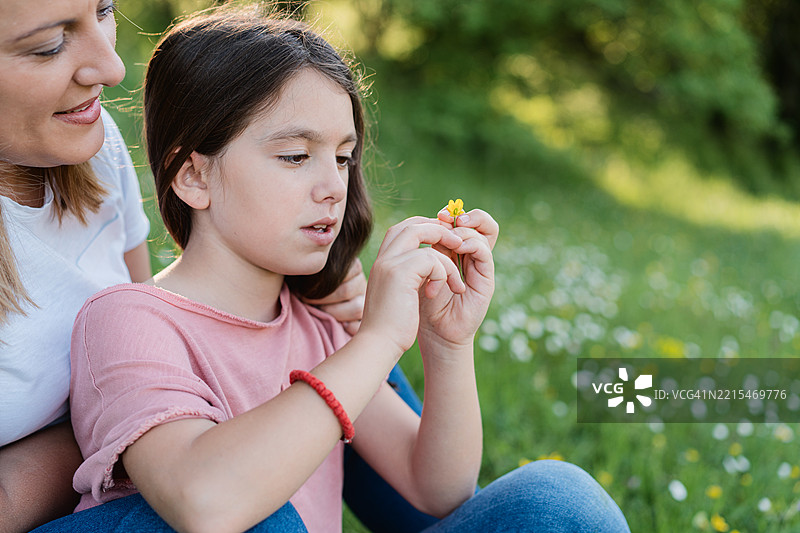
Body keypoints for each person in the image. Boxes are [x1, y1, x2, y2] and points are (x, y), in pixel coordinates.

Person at [33, 7, 631, 533]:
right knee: (261, 515)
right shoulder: (127, 321)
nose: (331, 187)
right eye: (295, 157)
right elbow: (206, 505)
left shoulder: (318, 329)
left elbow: (438, 493)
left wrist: (446, 343)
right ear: (193, 176)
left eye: (343, 158)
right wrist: (377, 339)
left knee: (559, 496)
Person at [0, 2, 369, 532]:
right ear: (191, 175)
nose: (113, 67)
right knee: (251, 512)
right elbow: (204, 491)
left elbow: (145, 308)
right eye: (48, 45)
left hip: (153, 424)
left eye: (104, 9)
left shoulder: (87, 141)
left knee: (531, 498)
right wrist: (150, 427)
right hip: (113, 483)